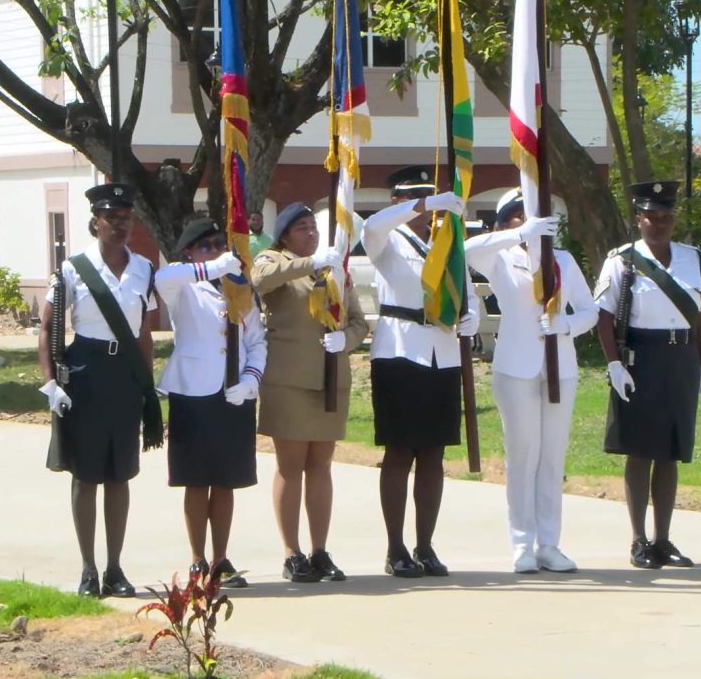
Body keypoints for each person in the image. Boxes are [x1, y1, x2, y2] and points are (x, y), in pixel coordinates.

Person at [37, 182, 162, 598]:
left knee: (120, 474)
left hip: (124, 374)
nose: (121, 225)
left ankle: (115, 567)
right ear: (96, 222)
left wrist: (148, 385)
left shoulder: (144, 267)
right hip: (86, 371)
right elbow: (46, 328)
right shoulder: (73, 268)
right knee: (86, 474)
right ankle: (88, 568)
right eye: (113, 218)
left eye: (127, 218)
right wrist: (50, 381)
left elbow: (144, 332)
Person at [465, 190, 598, 574]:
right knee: (523, 456)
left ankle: (549, 543)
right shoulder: (501, 258)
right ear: (506, 222)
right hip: (516, 366)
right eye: (517, 217)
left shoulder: (565, 262)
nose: (527, 224)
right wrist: (520, 235)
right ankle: (522, 543)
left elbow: (590, 311)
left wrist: (567, 325)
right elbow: (469, 249)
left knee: (552, 458)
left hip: (560, 368)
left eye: (536, 218)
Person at [363, 165, 478, 578]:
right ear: (399, 201)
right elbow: (371, 225)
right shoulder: (387, 239)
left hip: (442, 351)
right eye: (415, 199)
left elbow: (463, 288)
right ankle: (396, 548)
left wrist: (473, 319)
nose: (428, 211)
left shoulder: (450, 241)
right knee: (399, 450)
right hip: (399, 349)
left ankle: (425, 545)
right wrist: (424, 204)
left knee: (433, 452)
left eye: (431, 199)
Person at [593, 181, 701, 570]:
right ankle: (638, 540)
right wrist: (614, 363)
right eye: (651, 217)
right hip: (640, 358)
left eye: (666, 217)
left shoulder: (692, 258)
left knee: (671, 451)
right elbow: (605, 316)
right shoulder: (622, 260)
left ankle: (663, 540)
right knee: (640, 449)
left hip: (681, 358)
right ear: (638, 218)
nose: (659, 224)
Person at [250, 203, 369, 583]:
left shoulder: (333, 266)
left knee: (321, 466)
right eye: (302, 229)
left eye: (313, 228)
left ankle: (319, 550)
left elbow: (358, 321)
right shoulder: (275, 259)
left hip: (330, 379)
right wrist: (310, 262)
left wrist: (346, 339)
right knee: (291, 465)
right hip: (289, 380)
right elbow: (262, 280)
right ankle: (291, 552)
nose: (311, 234)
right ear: (285, 235)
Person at [156, 217, 266, 588]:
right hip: (193, 392)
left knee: (225, 481)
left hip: (232, 392)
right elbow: (163, 279)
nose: (217, 250)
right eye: (207, 245)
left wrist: (251, 378)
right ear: (189, 252)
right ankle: (196, 559)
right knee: (195, 481)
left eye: (221, 244)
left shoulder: (239, 288)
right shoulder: (183, 286)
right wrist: (210, 267)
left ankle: (221, 560)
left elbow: (257, 341)